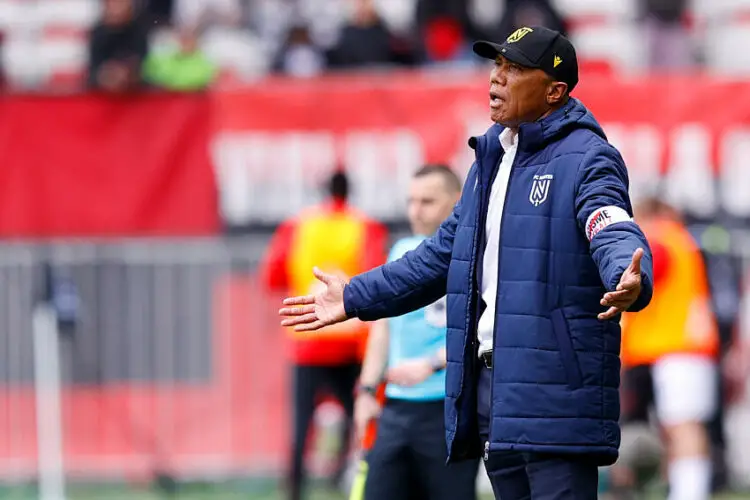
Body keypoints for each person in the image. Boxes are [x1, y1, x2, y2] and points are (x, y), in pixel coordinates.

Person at [280, 25, 654, 499]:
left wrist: (628, 274)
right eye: (496, 65)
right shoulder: (491, 159)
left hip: (556, 394)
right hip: (494, 396)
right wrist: (355, 296)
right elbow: (439, 256)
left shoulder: (587, 158)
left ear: (554, 91)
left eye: (514, 69)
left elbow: (610, 221)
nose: (496, 78)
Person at [353, 165, 479, 500]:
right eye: (411, 201)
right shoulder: (400, 252)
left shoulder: (474, 257)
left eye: (427, 201)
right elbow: (383, 330)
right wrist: (366, 390)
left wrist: (431, 363)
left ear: (456, 203)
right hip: (396, 408)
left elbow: (485, 331)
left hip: (447, 408)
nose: (415, 211)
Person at [260, 170, 388, 500]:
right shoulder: (365, 226)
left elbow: (272, 276)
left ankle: (294, 489)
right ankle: (342, 476)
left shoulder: (298, 226)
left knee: (302, 420)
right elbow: (377, 278)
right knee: (356, 412)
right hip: (350, 339)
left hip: (307, 340)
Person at [617, 197, 719, 500]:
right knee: (680, 427)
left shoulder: (660, 238)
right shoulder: (681, 239)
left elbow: (647, 270)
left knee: (682, 426)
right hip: (682, 348)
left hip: (675, 348)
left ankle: (689, 492)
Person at [88, 0, 148, 93]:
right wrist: (106, 75)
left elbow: (144, 66)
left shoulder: (140, 31)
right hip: (103, 97)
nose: (117, 8)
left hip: (135, 96)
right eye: (113, 3)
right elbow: (93, 71)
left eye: (121, 3)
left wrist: (128, 73)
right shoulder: (98, 33)